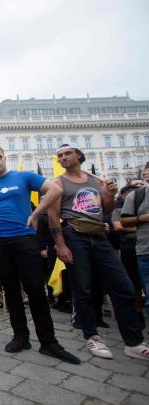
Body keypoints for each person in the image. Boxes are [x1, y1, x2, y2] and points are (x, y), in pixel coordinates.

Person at [0, 146, 80, 364]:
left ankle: (49, 342)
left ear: (5, 158)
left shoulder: (23, 177)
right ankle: (21, 336)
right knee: (10, 290)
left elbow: (55, 190)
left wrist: (35, 212)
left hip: (24, 238)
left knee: (35, 289)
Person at [49, 143, 147, 360]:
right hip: (74, 234)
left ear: (79, 156)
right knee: (82, 288)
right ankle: (92, 336)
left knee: (123, 287)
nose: (63, 158)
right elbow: (53, 216)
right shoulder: (58, 182)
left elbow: (106, 210)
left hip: (99, 236)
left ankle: (133, 342)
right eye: (60, 156)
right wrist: (61, 244)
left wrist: (110, 195)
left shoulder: (96, 181)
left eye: (67, 154)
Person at [112, 182, 145, 329]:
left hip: (142, 247)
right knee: (134, 283)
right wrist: (141, 227)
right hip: (130, 248)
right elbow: (118, 225)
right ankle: (137, 313)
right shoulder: (120, 207)